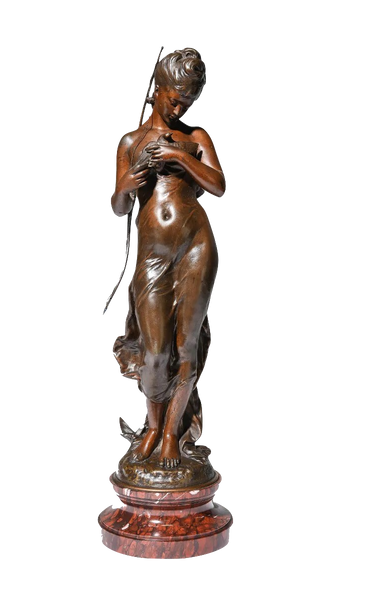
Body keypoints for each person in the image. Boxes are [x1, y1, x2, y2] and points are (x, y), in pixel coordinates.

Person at [109, 45, 227, 469]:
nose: (180, 108)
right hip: (152, 256)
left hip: (196, 247)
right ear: (157, 87)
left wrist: (178, 156)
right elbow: (119, 208)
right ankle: (153, 427)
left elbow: (219, 187)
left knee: (186, 345)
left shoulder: (197, 138)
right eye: (175, 99)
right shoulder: (129, 140)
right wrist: (125, 184)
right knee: (156, 353)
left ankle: (172, 436)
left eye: (188, 102)